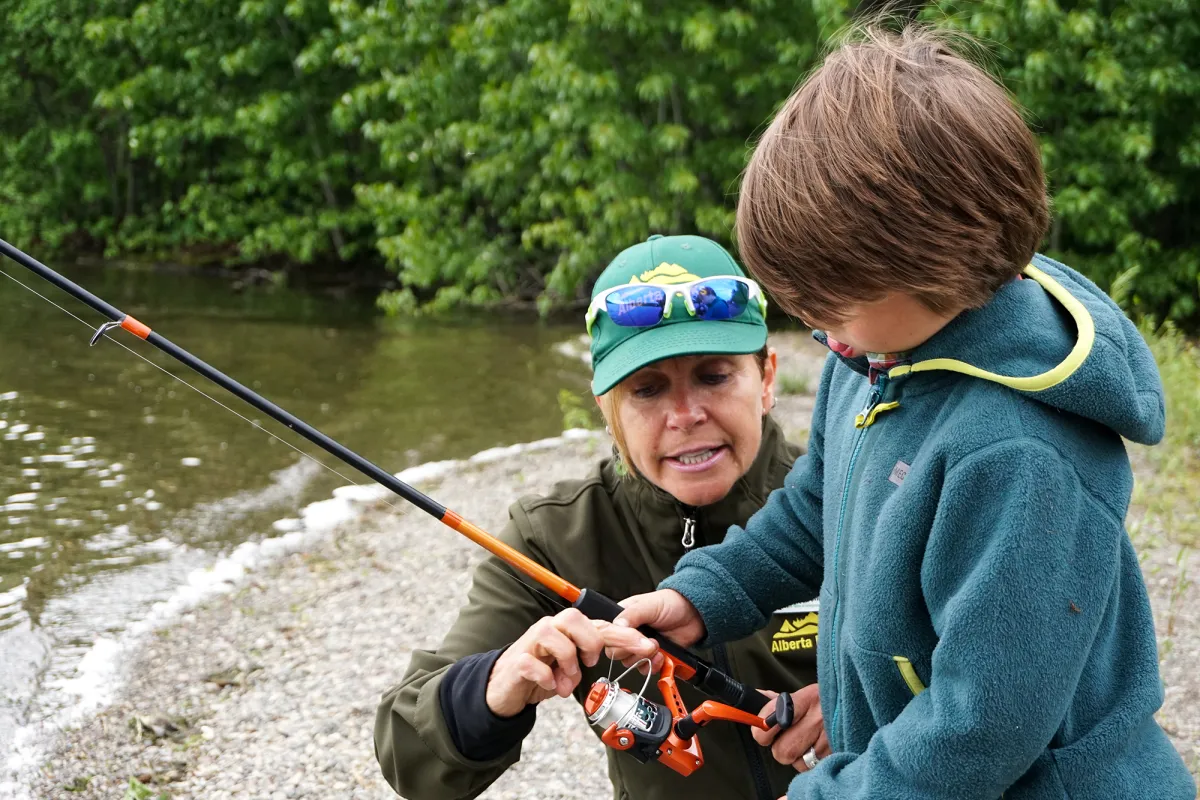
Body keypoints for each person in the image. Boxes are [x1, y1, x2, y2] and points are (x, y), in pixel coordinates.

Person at [611, 25, 1197, 800]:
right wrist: (705, 595)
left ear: (930, 260)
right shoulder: (872, 359)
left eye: (827, 291)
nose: (810, 318)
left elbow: (979, 727)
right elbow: (815, 504)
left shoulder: (1020, 455)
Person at [374, 234, 830, 800]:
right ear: (607, 412)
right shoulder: (553, 535)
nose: (686, 415)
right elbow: (407, 754)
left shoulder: (845, 494)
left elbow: (963, 673)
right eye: (647, 389)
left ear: (765, 379)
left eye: (714, 376)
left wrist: (863, 707)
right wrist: (495, 684)